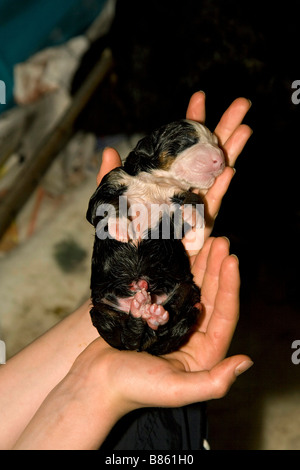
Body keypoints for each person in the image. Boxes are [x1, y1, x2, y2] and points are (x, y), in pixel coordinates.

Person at [0, 92, 253, 450]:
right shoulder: (124, 180)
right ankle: (144, 314)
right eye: (191, 144)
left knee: (182, 301)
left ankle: (147, 316)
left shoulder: (180, 196)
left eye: (212, 146)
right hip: (122, 301)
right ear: (153, 151)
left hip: (148, 291)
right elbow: (98, 209)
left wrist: (191, 216)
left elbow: (192, 219)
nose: (215, 156)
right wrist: (115, 216)